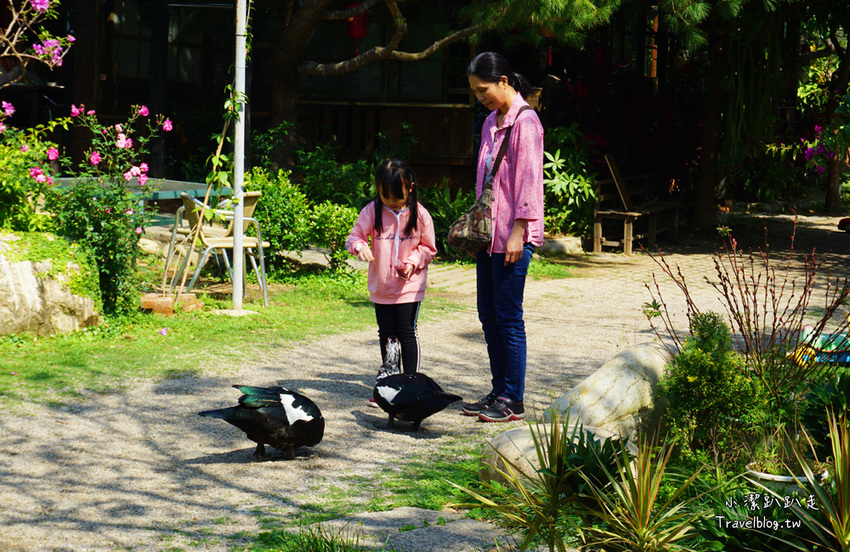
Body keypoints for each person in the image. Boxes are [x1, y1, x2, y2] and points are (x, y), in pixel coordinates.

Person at [461, 52, 545, 423]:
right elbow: (484, 182)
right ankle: (498, 391)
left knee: (508, 317)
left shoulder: (526, 122)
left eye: (484, 90)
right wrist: (478, 230)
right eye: (475, 92)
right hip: (489, 235)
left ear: (504, 81)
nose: (481, 97)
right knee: (488, 314)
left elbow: (529, 182)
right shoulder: (490, 122)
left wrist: (518, 232)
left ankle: (514, 398)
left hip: (513, 236)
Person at [346, 159, 438, 405]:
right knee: (387, 334)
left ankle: (412, 384)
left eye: (397, 197)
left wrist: (413, 262)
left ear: (410, 188)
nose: (391, 202)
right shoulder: (372, 211)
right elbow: (353, 237)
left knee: (406, 332)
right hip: (382, 286)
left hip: (409, 286)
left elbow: (429, 249)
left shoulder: (420, 215)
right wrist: (360, 246)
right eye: (385, 197)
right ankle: (390, 385)